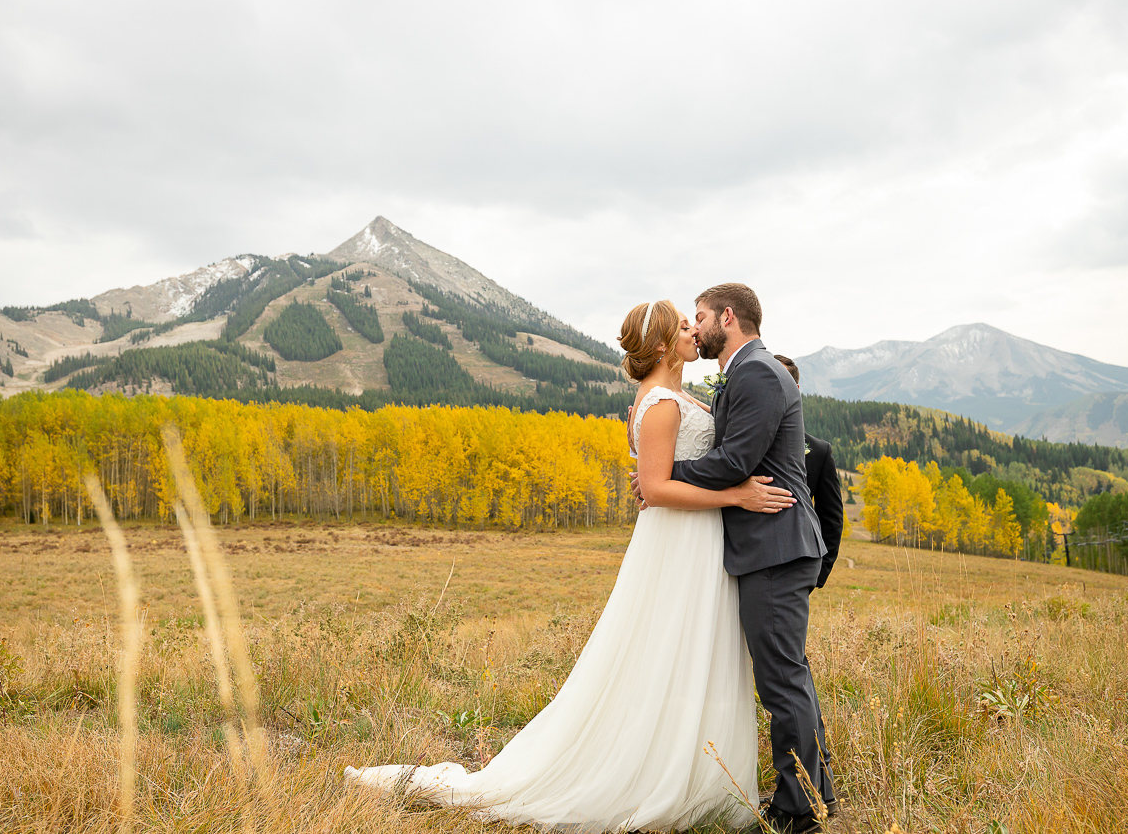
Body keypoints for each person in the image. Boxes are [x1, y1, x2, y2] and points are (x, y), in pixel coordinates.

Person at [345, 300, 785, 832]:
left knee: (689, 650)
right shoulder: (663, 402)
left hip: (696, 539)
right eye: (687, 326)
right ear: (666, 344)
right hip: (680, 541)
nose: (697, 332)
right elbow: (656, 488)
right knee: (669, 647)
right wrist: (737, 497)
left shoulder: (670, 396)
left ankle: (692, 768)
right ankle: (661, 773)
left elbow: (666, 473)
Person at [665, 284, 836, 834]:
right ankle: (814, 791)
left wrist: (664, 477)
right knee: (789, 676)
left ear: (728, 317)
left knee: (781, 681)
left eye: (701, 317)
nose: (696, 328)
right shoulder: (746, 372)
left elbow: (735, 459)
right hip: (770, 546)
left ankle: (798, 810)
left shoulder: (758, 372)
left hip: (776, 546)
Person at [773, 354, 843, 589]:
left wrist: (817, 576)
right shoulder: (741, 442)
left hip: (793, 573)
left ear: (796, 389)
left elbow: (831, 519)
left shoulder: (820, 451)